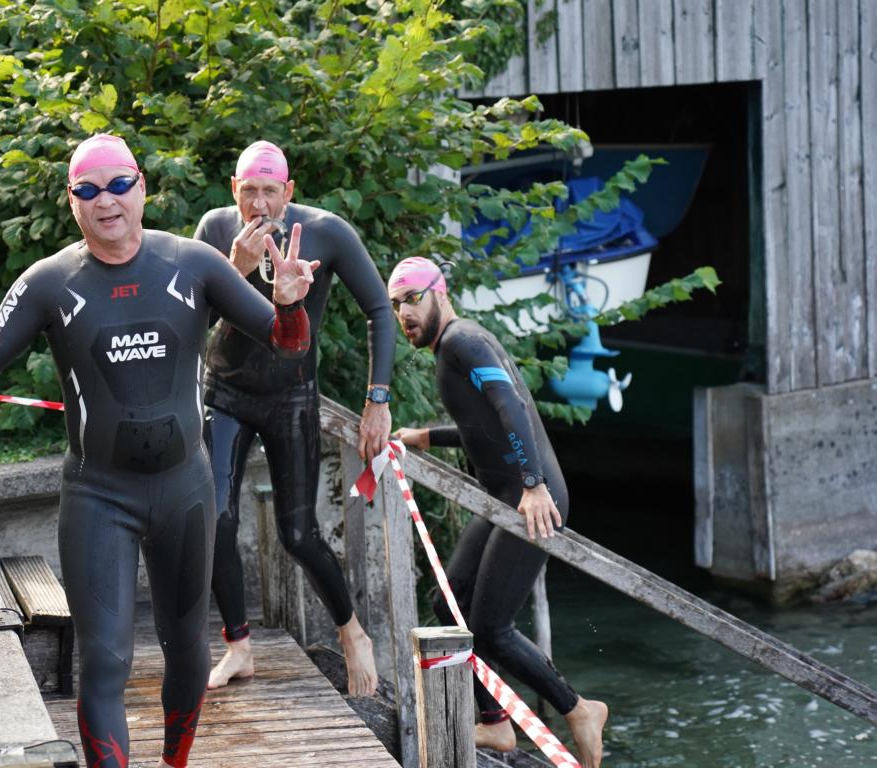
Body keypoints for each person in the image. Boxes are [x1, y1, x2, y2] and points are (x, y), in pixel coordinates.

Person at [0, 134, 320, 768]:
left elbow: (288, 346)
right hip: (99, 495)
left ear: (141, 187)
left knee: (189, 653)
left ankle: (175, 762)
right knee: (106, 661)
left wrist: (290, 305)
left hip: (184, 491)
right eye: (88, 190)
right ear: (72, 201)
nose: (107, 201)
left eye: (119, 184)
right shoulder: (49, 282)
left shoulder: (194, 263)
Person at [387, 257, 608, 768]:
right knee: (450, 606)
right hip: (503, 498)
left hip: (531, 498)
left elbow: (512, 407)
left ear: (440, 292)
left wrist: (532, 484)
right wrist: (426, 437)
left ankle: (579, 709)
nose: (404, 313)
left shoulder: (463, 341)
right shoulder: (455, 346)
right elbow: (482, 426)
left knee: (491, 627)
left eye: (413, 298)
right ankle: (496, 722)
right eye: (396, 304)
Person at [193, 140, 396, 696]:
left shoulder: (327, 232)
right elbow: (189, 316)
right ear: (233, 190)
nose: (259, 204)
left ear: (288, 191)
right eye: (248, 191)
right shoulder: (215, 229)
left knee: (300, 533)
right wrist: (233, 268)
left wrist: (377, 400)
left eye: (270, 191)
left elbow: (380, 309)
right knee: (216, 519)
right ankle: (238, 646)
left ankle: (353, 632)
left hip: (291, 396)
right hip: (226, 391)